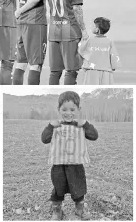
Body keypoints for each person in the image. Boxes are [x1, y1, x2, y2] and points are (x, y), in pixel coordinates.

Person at [41, 91, 98, 220]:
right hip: (58, 166)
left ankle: (79, 211)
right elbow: (44, 139)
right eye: (64, 109)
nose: (68, 113)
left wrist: (86, 124)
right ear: (59, 109)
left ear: (79, 109)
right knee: (58, 189)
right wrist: (50, 126)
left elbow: (94, 136)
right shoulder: (55, 125)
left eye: (72, 109)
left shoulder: (81, 125)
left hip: (76, 166)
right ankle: (57, 212)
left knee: (79, 190)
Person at [46, 0, 89, 85]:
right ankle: (69, 102)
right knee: (71, 71)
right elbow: (77, 9)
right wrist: (83, 30)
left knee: (54, 72)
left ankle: (54, 103)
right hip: (69, 32)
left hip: (53, 31)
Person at [78, 17, 121, 84]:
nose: (91, 27)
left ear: (97, 29)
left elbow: (81, 49)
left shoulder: (90, 40)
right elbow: (113, 55)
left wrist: (83, 40)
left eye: (93, 26)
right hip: (106, 71)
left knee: (91, 86)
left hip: (92, 71)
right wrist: (113, 66)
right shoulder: (109, 41)